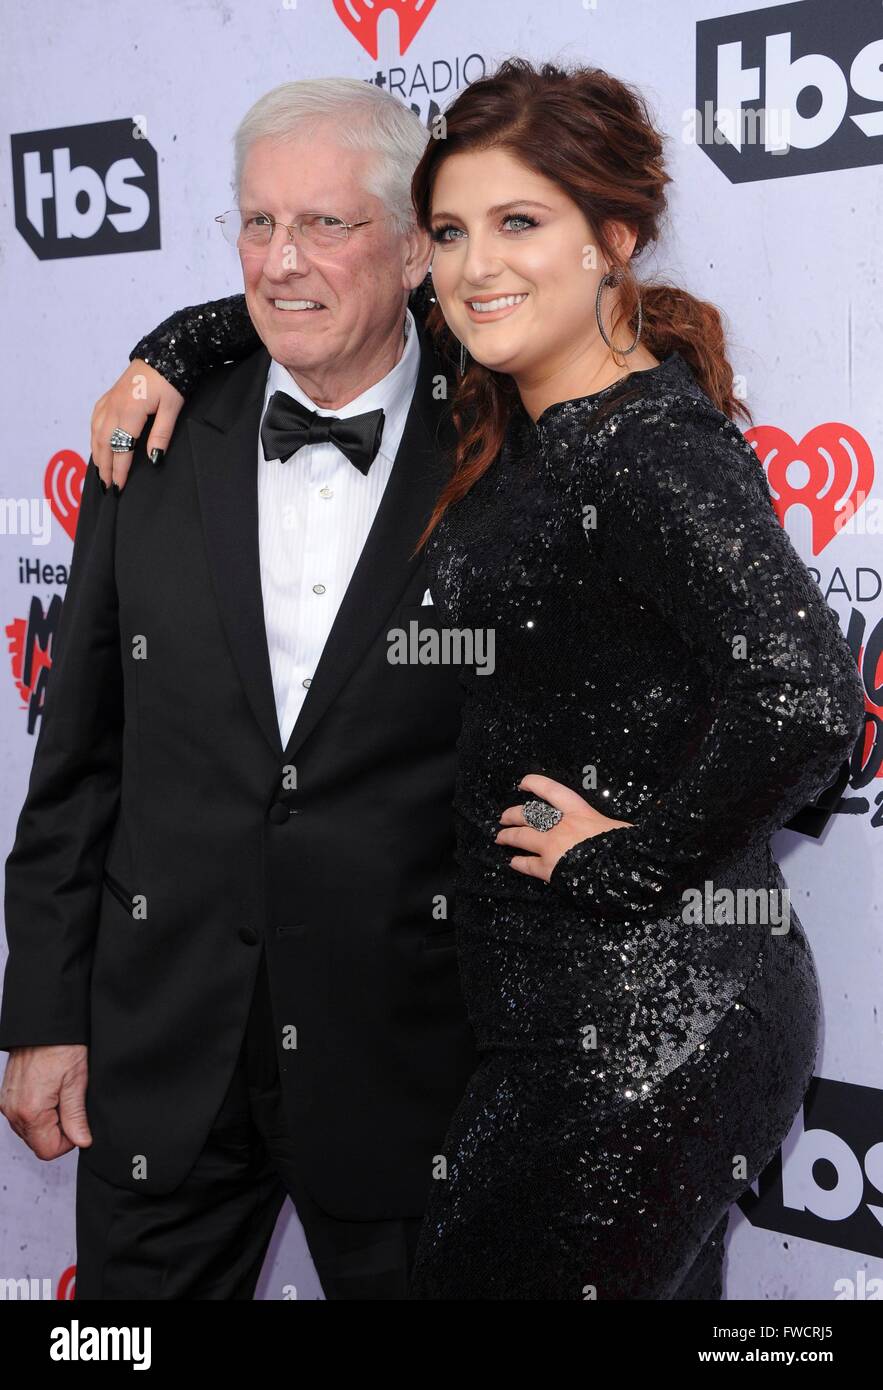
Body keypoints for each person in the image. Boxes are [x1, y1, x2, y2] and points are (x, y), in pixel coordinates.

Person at [55, 61, 861, 1299]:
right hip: (291, 1044)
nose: (478, 263)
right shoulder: (501, 399)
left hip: (582, 1043)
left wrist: (626, 861)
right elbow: (83, 755)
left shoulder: (610, 433)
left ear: (613, 240)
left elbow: (807, 702)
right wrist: (173, 341)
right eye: (453, 229)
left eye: (519, 223)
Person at [0, 78, 480, 1301]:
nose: (281, 261)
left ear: (418, 246)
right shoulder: (147, 437)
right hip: (163, 1051)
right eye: (258, 224)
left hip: (413, 1066)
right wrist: (43, 1013)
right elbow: (80, 753)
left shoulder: (500, 447)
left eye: (326, 224)